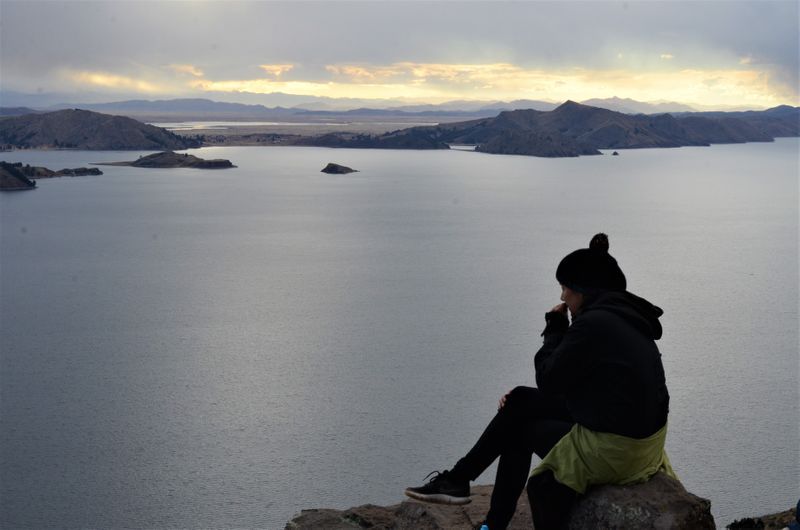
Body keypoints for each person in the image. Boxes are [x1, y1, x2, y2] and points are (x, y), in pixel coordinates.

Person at [404, 233, 675, 529]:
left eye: (565, 289)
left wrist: (555, 328)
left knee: (520, 431)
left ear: (583, 291)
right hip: (638, 438)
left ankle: (482, 511)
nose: (562, 297)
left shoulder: (594, 324)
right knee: (520, 399)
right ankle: (458, 481)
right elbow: (583, 382)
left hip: (617, 449)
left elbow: (549, 379)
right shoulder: (625, 316)